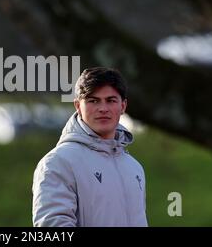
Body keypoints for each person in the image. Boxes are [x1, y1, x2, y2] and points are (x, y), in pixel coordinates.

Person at [32, 67, 148, 227]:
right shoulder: (58, 162)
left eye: (111, 100)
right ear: (78, 106)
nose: (103, 108)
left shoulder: (134, 167)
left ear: (123, 106)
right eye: (93, 100)